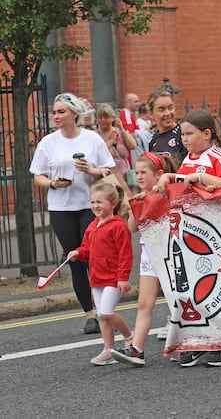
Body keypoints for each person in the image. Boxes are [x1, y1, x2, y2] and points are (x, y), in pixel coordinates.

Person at [156, 109, 221, 368]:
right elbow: (184, 184)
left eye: (189, 133)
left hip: (216, 233)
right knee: (192, 290)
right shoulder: (188, 159)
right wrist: (169, 178)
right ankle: (200, 341)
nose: (184, 139)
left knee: (217, 288)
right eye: (182, 134)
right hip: (191, 235)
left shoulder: (218, 157)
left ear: (207, 133)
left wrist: (202, 178)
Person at [30, 93, 116, 334]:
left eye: (61, 112)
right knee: (75, 260)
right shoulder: (48, 142)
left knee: (95, 258)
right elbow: (38, 175)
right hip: (61, 208)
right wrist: (53, 184)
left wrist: (90, 169)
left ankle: (103, 311)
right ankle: (90, 316)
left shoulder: (92, 139)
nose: (56, 116)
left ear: (74, 114)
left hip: (90, 206)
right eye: (54, 112)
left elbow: (108, 170)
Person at [110, 152, 178, 366]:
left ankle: (185, 346)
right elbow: (130, 229)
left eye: (143, 172)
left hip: (170, 253)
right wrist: (134, 208)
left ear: (158, 174)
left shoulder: (169, 192)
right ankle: (136, 349)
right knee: (143, 303)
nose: (138, 176)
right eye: (136, 172)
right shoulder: (140, 197)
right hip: (149, 254)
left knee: (178, 302)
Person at [67, 181, 133, 365]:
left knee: (106, 314)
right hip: (96, 278)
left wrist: (123, 278)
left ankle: (129, 336)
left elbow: (125, 254)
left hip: (113, 279)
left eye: (100, 202)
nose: (95, 206)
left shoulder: (118, 226)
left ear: (113, 203)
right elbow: (87, 248)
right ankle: (108, 350)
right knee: (103, 317)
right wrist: (78, 253)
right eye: (93, 202)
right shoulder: (92, 226)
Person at [94, 103, 137, 194]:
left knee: (127, 203)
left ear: (113, 118)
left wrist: (122, 129)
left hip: (125, 176)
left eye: (106, 117)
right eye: (100, 117)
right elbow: (95, 153)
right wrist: (111, 141)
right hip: (107, 177)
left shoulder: (119, 132)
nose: (102, 120)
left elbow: (133, 146)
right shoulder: (94, 135)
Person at [147, 88, 188, 164]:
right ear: (151, 114)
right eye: (161, 109)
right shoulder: (152, 140)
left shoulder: (183, 135)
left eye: (170, 108)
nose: (168, 113)